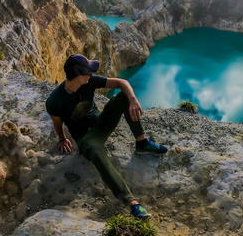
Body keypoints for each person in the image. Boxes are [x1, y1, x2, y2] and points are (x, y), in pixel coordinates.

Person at [46, 54, 168, 219]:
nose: (91, 75)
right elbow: (57, 122)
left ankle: (142, 142)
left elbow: (121, 83)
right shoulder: (55, 100)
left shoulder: (88, 82)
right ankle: (132, 203)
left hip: (101, 123)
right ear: (79, 76)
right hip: (86, 138)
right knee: (97, 153)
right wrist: (62, 138)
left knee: (124, 96)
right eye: (88, 72)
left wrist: (132, 99)